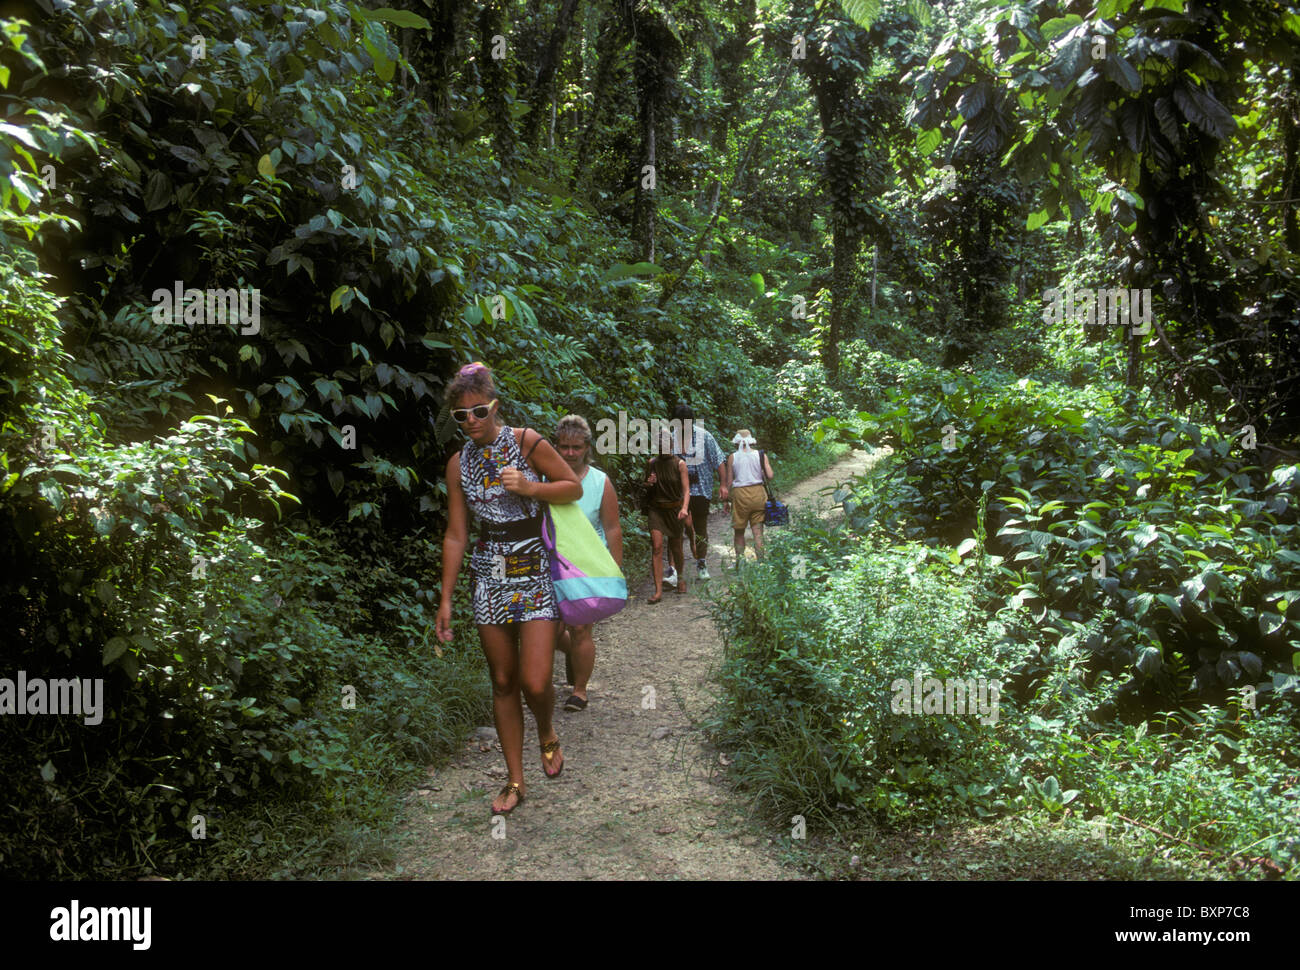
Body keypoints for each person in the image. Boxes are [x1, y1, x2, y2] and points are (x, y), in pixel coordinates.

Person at [436, 362, 583, 816]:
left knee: (534, 680)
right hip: (489, 573)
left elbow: (572, 487)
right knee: (502, 680)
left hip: (535, 568)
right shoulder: (459, 463)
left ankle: (546, 728)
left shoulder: (525, 441)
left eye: (479, 411)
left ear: (493, 406)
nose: (472, 422)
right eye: (462, 416)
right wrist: (445, 598)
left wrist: (532, 487)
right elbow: (457, 533)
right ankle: (516, 780)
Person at [552, 414, 623, 712]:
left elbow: (612, 528)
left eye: (576, 447)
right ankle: (573, 655)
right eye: (564, 446)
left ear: (587, 448)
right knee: (550, 630)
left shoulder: (599, 482)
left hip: (586, 565)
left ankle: (579, 690)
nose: (570, 453)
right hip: (550, 562)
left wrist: (614, 571)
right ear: (555, 446)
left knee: (581, 628)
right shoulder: (544, 478)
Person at [668, 404, 727, 582]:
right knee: (674, 529)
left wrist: (723, 485)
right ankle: (673, 570)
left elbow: (719, 460)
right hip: (678, 492)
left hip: (701, 488)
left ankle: (701, 562)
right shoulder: (671, 439)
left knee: (700, 527)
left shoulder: (704, 437)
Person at [644, 426, 690, 604]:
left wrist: (684, 508)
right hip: (656, 510)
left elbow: (686, 491)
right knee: (656, 547)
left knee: (676, 547)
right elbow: (646, 486)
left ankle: (681, 578)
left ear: (671, 444)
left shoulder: (680, 464)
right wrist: (649, 483)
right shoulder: (652, 463)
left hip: (674, 510)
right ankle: (658, 591)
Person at [724, 429, 774, 564]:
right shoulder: (761, 455)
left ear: (737, 441)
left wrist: (726, 501)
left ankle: (740, 563)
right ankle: (761, 562)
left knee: (739, 532)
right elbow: (770, 476)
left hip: (740, 496)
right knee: (758, 532)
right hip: (758, 494)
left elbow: (729, 482)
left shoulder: (732, 457)